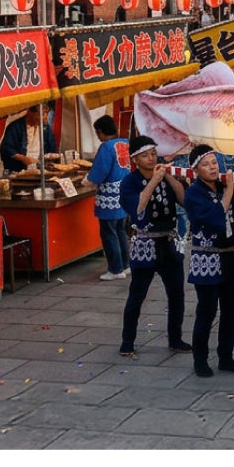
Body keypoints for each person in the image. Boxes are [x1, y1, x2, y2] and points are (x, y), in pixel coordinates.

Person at [183, 144, 234, 378]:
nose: (212, 168)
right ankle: (200, 359)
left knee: (231, 310)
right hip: (207, 257)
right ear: (196, 169)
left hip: (230, 256)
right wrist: (228, 191)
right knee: (206, 311)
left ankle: (226, 356)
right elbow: (215, 218)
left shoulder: (225, 186)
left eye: (214, 162)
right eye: (205, 164)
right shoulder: (194, 193)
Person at [118, 135, 191, 357]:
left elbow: (184, 200)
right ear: (135, 160)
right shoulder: (129, 182)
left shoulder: (166, 176)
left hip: (168, 240)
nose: (151, 159)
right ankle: (127, 341)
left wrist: (168, 178)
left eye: (152, 154)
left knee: (176, 293)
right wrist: (153, 181)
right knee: (138, 294)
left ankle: (175, 338)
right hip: (145, 241)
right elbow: (138, 207)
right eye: (145, 156)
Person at [87, 115, 130, 281]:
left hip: (109, 197)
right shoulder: (124, 143)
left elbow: (99, 172)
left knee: (109, 233)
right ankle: (125, 265)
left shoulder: (106, 147)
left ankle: (115, 268)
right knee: (120, 230)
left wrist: (89, 180)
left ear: (100, 131)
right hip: (123, 193)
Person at [0, 103, 56, 173]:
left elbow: (51, 148)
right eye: (41, 114)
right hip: (18, 171)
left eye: (45, 114)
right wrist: (24, 159)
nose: (44, 118)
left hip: (40, 171)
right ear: (30, 113)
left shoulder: (45, 128)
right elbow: (7, 149)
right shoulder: (15, 127)